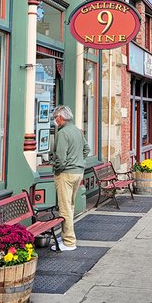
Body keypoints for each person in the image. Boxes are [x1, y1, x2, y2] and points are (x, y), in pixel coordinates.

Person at [51, 105, 90, 251]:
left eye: (55, 118)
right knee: (70, 206)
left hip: (66, 174)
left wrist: (57, 168)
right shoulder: (77, 130)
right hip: (78, 172)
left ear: (60, 118)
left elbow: (60, 158)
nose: (55, 120)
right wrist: (79, 161)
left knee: (65, 208)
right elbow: (87, 149)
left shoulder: (63, 133)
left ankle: (69, 242)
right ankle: (66, 235)